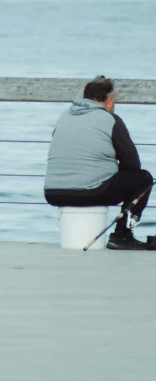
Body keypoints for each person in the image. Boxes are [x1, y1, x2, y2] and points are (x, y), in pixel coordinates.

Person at [44, 76, 154, 251]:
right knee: (143, 179)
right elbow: (132, 164)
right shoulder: (111, 120)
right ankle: (121, 236)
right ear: (109, 100)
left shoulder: (64, 116)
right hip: (91, 191)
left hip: (53, 192)